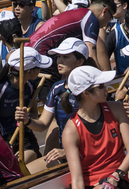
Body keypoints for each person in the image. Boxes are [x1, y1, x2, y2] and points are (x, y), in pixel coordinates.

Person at [59, 66, 129, 189]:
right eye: (101, 86)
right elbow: (78, 179)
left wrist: (117, 176)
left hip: (115, 181)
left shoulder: (116, 109)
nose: (107, 89)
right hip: (87, 186)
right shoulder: (70, 130)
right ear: (86, 93)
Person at [18, 38, 87, 167]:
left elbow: (96, 130)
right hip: (65, 154)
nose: (59, 61)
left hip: (87, 154)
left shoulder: (90, 89)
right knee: (24, 173)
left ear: (80, 61)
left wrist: (67, 151)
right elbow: (43, 124)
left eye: (65, 57)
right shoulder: (57, 88)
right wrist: (27, 120)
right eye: (59, 57)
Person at [28, 0, 116, 73]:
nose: (107, 23)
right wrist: (98, 79)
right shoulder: (91, 18)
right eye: (110, 18)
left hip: (30, 50)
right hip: (41, 54)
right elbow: (91, 53)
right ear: (104, 11)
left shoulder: (80, 13)